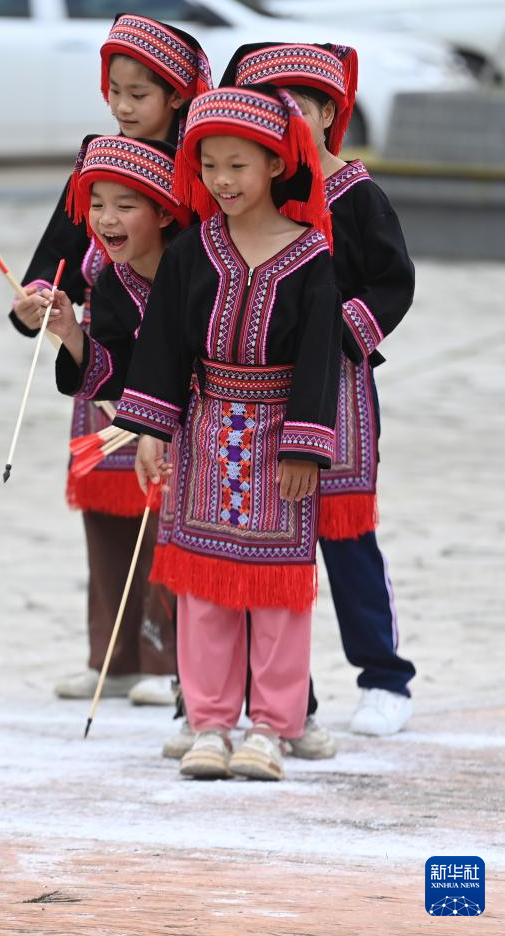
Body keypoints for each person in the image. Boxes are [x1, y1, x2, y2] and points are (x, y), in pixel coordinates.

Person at [114, 84, 342, 780]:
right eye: (209, 164)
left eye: (238, 165)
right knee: (204, 585)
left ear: (274, 164)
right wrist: (151, 430)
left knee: (278, 590)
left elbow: (320, 360)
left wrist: (305, 447)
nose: (221, 180)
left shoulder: (311, 256)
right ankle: (209, 721)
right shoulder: (191, 252)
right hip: (207, 433)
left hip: (280, 441)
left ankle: (272, 726)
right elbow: (163, 345)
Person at [11, 15, 212, 705]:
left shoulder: (202, 167)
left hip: (177, 360)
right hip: (104, 349)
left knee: (168, 508)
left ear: (178, 95)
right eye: (114, 92)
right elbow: (59, 253)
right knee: (106, 507)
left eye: (138, 94)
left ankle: (167, 658)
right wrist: (39, 301)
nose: (123, 107)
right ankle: (113, 656)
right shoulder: (98, 158)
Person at [220, 42, 416, 737]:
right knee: (263, 542)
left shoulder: (358, 195)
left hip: (338, 388)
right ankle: (282, 695)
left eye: (297, 107)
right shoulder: (259, 196)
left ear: (329, 113)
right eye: (269, 108)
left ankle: (385, 677)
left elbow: (394, 282)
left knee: (344, 532)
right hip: (261, 394)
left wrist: (335, 332)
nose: (284, 120)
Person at [31, 134, 191, 690]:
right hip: (156, 427)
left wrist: (159, 423)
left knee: (189, 547)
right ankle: (130, 666)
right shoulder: (115, 282)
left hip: (216, 429)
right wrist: (71, 333)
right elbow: (115, 369)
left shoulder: (201, 268)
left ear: (164, 212)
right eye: (97, 204)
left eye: (125, 205)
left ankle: (185, 672)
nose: (105, 219)